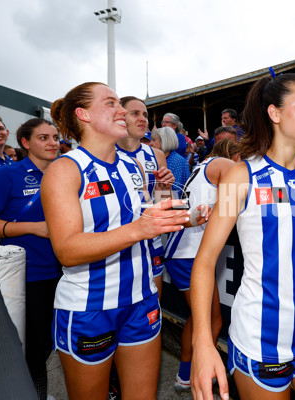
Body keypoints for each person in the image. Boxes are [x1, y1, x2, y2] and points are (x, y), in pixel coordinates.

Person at [190, 72, 295, 400]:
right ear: (275, 114)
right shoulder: (240, 178)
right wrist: (203, 343)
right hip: (259, 341)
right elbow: (204, 262)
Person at [40, 82, 189, 400]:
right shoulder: (65, 170)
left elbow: (146, 216)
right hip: (89, 308)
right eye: (112, 104)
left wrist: (181, 213)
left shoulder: (131, 164)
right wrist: (140, 228)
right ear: (84, 115)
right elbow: (67, 250)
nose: (122, 110)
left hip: (142, 299)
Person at [0, 118, 62, 399]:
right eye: (43, 138)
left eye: (55, 137)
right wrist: (32, 228)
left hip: (69, 271)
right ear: (25, 143)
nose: (52, 143)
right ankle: (34, 393)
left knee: (53, 341)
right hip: (29, 274)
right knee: (35, 346)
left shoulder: (67, 173)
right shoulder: (7, 175)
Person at [164, 139, 240, 393]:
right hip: (187, 253)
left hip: (186, 251)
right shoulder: (226, 164)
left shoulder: (204, 165)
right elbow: (247, 195)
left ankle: (189, 374)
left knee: (208, 320)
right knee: (206, 321)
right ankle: (190, 376)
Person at [116, 96, 174, 300]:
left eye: (145, 115)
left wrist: (164, 187)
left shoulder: (156, 155)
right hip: (118, 241)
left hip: (151, 240)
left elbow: (163, 202)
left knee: (152, 307)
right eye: (135, 113)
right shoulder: (106, 153)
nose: (143, 119)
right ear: (120, 116)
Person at [151, 127, 190, 198]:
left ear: (164, 141)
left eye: (154, 140)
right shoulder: (162, 158)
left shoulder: (177, 161)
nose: (150, 143)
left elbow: (177, 192)